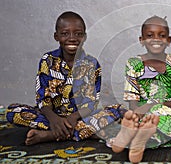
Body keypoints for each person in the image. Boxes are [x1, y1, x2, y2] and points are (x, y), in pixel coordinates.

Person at [109, 15, 171, 164]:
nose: (156, 39)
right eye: (150, 35)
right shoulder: (133, 63)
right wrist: (141, 113)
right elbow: (133, 106)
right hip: (140, 115)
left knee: (166, 121)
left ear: (169, 40)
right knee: (143, 122)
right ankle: (136, 133)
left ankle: (138, 137)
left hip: (166, 113)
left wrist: (149, 106)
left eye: (162, 35)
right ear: (141, 40)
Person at [5, 11, 108, 145]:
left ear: (84, 37)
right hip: (51, 116)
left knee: (117, 111)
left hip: (79, 118)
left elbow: (91, 103)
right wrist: (54, 119)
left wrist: (73, 117)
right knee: (13, 111)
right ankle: (80, 132)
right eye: (65, 34)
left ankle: (50, 135)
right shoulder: (47, 61)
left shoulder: (92, 64)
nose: (72, 38)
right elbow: (42, 98)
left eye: (78, 34)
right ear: (56, 36)